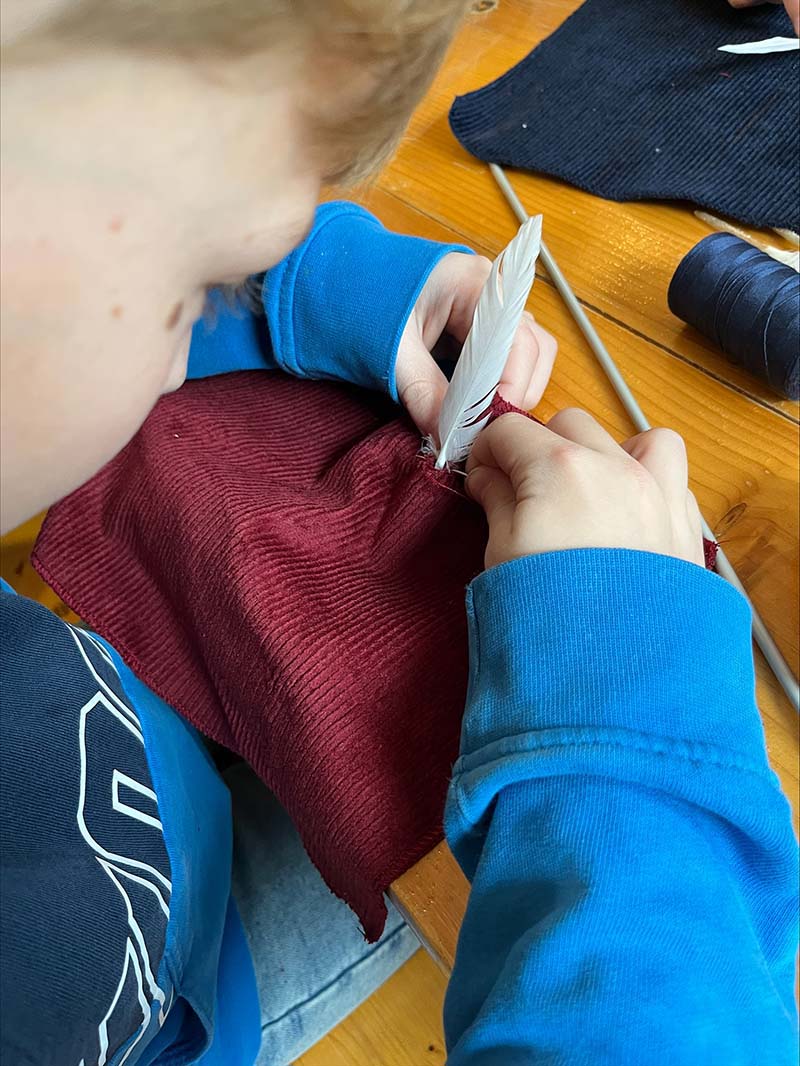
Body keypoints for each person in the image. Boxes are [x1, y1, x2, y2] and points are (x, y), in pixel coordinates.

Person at [1, 1, 796, 1064]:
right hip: (183, 986)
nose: (179, 355)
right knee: (444, 808)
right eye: (191, 289)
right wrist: (623, 733)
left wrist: (308, 281)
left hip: (130, 767)